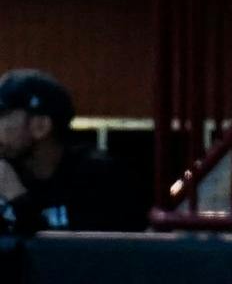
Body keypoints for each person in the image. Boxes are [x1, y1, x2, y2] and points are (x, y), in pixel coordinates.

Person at [0, 70, 145, 236]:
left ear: (41, 126)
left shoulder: (100, 178)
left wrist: (18, 200)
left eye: (2, 115)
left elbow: (85, 256)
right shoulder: (8, 173)